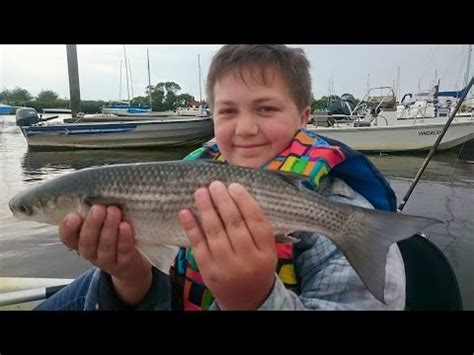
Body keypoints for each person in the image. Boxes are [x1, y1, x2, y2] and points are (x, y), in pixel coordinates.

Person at [35, 45, 406, 310]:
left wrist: (253, 299)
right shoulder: (192, 170)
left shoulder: (341, 213)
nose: (245, 128)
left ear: (305, 116)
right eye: (227, 111)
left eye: (266, 108)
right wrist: (131, 278)